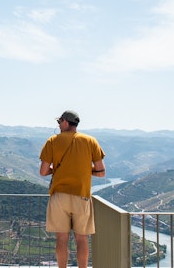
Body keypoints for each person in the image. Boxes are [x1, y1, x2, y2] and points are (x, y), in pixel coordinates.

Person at [39, 110, 106, 268]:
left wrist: (58, 169)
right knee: (81, 239)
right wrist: (82, 168)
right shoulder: (90, 141)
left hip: (59, 196)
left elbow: (43, 172)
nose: (58, 125)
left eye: (59, 122)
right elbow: (101, 172)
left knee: (61, 239)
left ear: (65, 122)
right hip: (81, 195)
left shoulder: (52, 141)